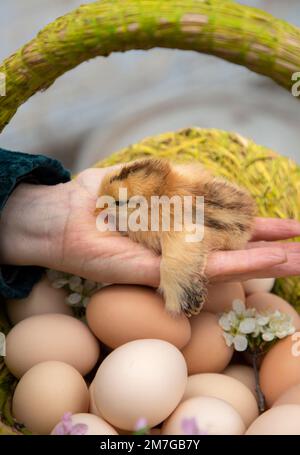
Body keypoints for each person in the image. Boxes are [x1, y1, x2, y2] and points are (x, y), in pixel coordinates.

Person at [0, 148, 300, 300]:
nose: (100, 206)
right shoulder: (178, 183)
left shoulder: (171, 225)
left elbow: (183, 263)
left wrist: (178, 298)